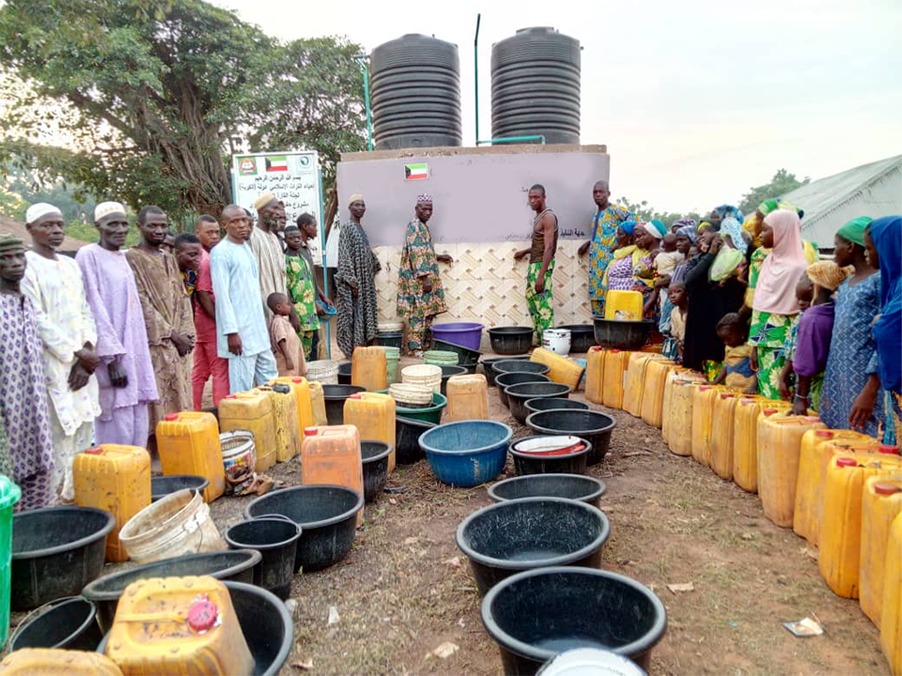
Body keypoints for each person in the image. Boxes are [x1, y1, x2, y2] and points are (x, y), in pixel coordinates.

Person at [21, 203, 100, 504]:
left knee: (84, 428)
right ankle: (54, 501)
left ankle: (79, 496)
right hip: (53, 363)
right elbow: (37, 317)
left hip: (84, 363)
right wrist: (75, 353)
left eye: (59, 224)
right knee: (59, 431)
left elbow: (84, 309)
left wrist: (88, 350)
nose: (55, 230)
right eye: (47, 225)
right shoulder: (27, 266)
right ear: (30, 229)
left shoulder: (70, 265)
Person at [76, 202, 157, 447]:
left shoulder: (122, 257)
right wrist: (111, 360)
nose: (120, 229)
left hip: (134, 351)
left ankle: (137, 467)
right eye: (113, 224)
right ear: (98, 226)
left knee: (138, 416)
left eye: (123, 224)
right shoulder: (88, 255)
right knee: (116, 420)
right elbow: (93, 307)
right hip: (112, 357)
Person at [126, 206, 195, 434]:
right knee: (158, 403)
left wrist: (186, 334)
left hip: (179, 345)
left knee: (182, 399)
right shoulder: (132, 258)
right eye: (153, 225)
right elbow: (141, 302)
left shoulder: (169, 258)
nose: (159, 230)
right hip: (155, 343)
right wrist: (172, 335)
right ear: (139, 226)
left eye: (163, 226)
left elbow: (182, 297)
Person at [0, 234, 56, 511]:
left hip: (33, 410)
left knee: (39, 467)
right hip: (5, 414)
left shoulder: (25, 301)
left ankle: (32, 524)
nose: (15, 263)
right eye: (5, 259)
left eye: (19, 256)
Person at [819, 217, 884, 436]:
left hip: (864, 374)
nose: (834, 252)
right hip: (839, 371)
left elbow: (884, 334)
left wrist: (871, 387)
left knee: (863, 430)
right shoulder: (846, 283)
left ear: (850, 246)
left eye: (836, 245)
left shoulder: (879, 280)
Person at [210, 205, 278, 392]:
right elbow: (222, 296)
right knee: (242, 388)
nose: (241, 225)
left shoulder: (245, 247)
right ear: (225, 225)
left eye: (244, 220)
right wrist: (231, 332)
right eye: (235, 221)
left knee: (271, 380)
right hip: (240, 333)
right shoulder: (221, 252)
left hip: (258, 330)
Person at [748, 209, 809, 399]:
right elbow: (760, 307)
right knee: (764, 397)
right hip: (762, 341)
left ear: (782, 231)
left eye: (766, 230)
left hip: (784, 346)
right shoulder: (768, 262)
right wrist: (754, 345)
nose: (760, 234)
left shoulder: (798, 268)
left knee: (779, 396)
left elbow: (799, 314)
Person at [682, 231, 746, 377]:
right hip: (700, 320)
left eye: (704, 234)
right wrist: (710, 254)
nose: (700, 237)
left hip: (722, 317)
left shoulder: (732, 259)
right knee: (699, 363)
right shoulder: (697, 259)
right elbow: (689, 279)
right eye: (699, 235)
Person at [397, 194, 452, 355]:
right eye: (424, 209)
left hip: (424, 278)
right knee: (418, 313)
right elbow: (416, 253)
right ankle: (415, 348)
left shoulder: (422, 226)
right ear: (416, 209)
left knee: (427, 313)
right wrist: (425, 278)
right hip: (419, 280)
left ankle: (424, 346)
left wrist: (439, 257)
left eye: (430, 209)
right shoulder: (415, 226)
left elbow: (424, 250)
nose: (428, 212)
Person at [790, 262, 846, 414]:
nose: (799, 281)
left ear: (813, 285)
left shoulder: (812, 318)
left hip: (815, 390)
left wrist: (800, 398)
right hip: (834, 384)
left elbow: (805, 363)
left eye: (803, 278)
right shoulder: (834, 308)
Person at [866, 216, 901, 443]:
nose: (867, 254)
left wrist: (879, 322)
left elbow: (888, 331)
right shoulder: (895, 283)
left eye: (870, 248)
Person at [578, 180, 634, 315]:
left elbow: (633, 221)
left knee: (610, 301)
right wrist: (589, 243)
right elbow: (601, 233)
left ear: (608, 193)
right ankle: (599, 327)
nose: (597, 195)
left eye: (601, 192)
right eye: (595, 192)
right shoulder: (596, 213)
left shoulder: (616, 210)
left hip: (609, 262)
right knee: (597, 301)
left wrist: (620, 243)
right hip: (595, 265)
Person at [336, 194, 381, 358]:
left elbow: (365, 252)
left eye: (362, 205)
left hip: (366, 281)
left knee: (364, 314)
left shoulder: (361, 229)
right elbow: (344, 255)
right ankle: (354, 352)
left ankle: (363, 352)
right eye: (356, 205)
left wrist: (374, 263)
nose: (360, 208)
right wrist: (352, 282)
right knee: (355, 315)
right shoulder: (347, 228)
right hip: (355, 283)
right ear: (350, 208)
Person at [191, 214, 229, 409]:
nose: (214, 236)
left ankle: (195, 408)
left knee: (200, 369)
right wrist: (219, 321)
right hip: (210, 322)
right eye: (209, 233)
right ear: (198, 233)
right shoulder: (206, 260)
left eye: (216, 232)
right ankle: (222, 411)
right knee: (220, 368)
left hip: (200, 322)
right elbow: (203, 293)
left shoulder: (199, 255)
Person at [514, 185, 558, 342]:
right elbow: (540, 244)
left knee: (544, 307)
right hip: (535, 265)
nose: (533, 200)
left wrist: (541, 276)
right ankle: (541, 342)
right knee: (533, 304)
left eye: (536, 197)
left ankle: (549, 346)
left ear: (544, 197)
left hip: (541, 266)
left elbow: (549, 247)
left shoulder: (548, 217)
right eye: (530, 197)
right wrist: (525, 252)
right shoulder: (539, 217)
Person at [286, 215, 331, 360]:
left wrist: (322, 296)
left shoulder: (303, 253)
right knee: (301, 346)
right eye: (314, 226)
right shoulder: (289, 257)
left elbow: (310, 278)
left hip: (310, 308)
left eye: (298, 238)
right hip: (300, 309)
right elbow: (287, 287)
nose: (297, 240)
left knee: (312, 342)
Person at [249, 193, 296, 328]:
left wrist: (291, 312)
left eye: (279, 209)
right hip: (262, 309)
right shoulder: (252, 237)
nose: (278, 213)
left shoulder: (275, 238)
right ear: (261, 210)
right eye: (274, 208)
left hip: (281, 312)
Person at [713, 313, 756, 393]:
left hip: (747, 390)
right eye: (723, 340)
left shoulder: (750, 348)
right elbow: (725, 366)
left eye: (729, 339)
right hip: (731, 388)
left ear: (741, 333)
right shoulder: (728, 348)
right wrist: (715, 382)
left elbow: (757, 369)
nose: (726, 342)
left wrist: (753, 387)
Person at [267, 292, 306, 377]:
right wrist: (288, 358)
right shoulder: (278, 322)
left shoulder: (283, 321)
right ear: (279, 307)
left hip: (292, 358)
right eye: (287, 304)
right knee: (287, 380)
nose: (290, 307)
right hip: (285, 362)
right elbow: (281, 340)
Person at [665, 281, 688, 361]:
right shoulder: (674, 312)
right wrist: (681, 357)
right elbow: (677, 339)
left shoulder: (693, 312)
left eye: (678, 291)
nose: (673, 296)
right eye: (670, 294)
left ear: (686, 292)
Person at [174, 233, 202, 298]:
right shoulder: (168, 273)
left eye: (199, 254)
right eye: (192, 255)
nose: (198, 259)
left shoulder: (193, 272)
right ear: (178, 253)